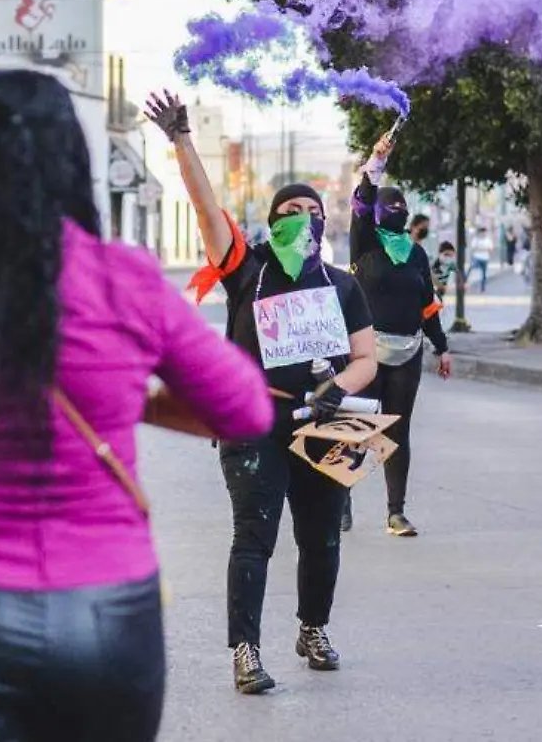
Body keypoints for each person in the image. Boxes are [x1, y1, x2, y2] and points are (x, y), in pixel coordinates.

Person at [0, 70, 271, 741]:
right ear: (72, 163)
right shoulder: (121, 278)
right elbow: (246, 409)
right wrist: (131, 398)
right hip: (108, 614)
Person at [145, 89, 378, 696]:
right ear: (272, 223)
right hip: (255, 421)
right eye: (288, 210)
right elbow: (204, 206)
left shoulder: (344, 286)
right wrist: (182, 140)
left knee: (322, 536)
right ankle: (245, 650)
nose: (301, 217)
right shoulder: (246, 268)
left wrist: (336, 389)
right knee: (255, 535)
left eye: (311, 209)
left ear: (325, 222)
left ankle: (313, 628)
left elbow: (366, 360)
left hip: (324, 423)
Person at [346, 134, 452, 538]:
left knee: (397, 430)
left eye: (402, 207)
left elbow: (428, 304)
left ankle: (395, 512)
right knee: (356, 425)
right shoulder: (365, 243)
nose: (398, 211)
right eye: (390, 206)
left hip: (408, 353)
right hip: (366, 353)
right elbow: (361, 200)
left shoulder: (415, 253)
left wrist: (442, 347)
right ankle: (341, 502)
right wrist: (376, 160)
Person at [468, 226, 494, 293]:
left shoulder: (488, 240)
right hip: (477, 257)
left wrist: (480, 249)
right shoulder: (476, 240)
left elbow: (490, 249)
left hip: (485, 258)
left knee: (484, 274)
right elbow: (473, 248)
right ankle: (465, 281)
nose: (484, 234)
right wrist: (484, 249)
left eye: (485, 232)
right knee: (472, 267)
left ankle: (483, 287)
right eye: (483, 232)